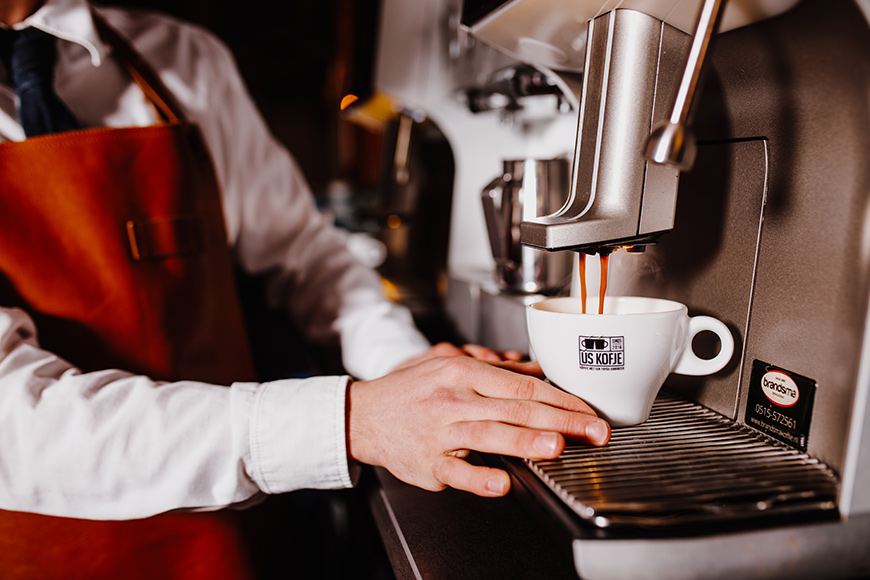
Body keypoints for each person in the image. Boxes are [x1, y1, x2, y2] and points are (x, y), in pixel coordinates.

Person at [0, 0, 611, 577]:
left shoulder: (183, 58)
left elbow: (304, 252)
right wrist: (352, 418)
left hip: (227, 541)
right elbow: (17, 424)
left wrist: (407, 368)